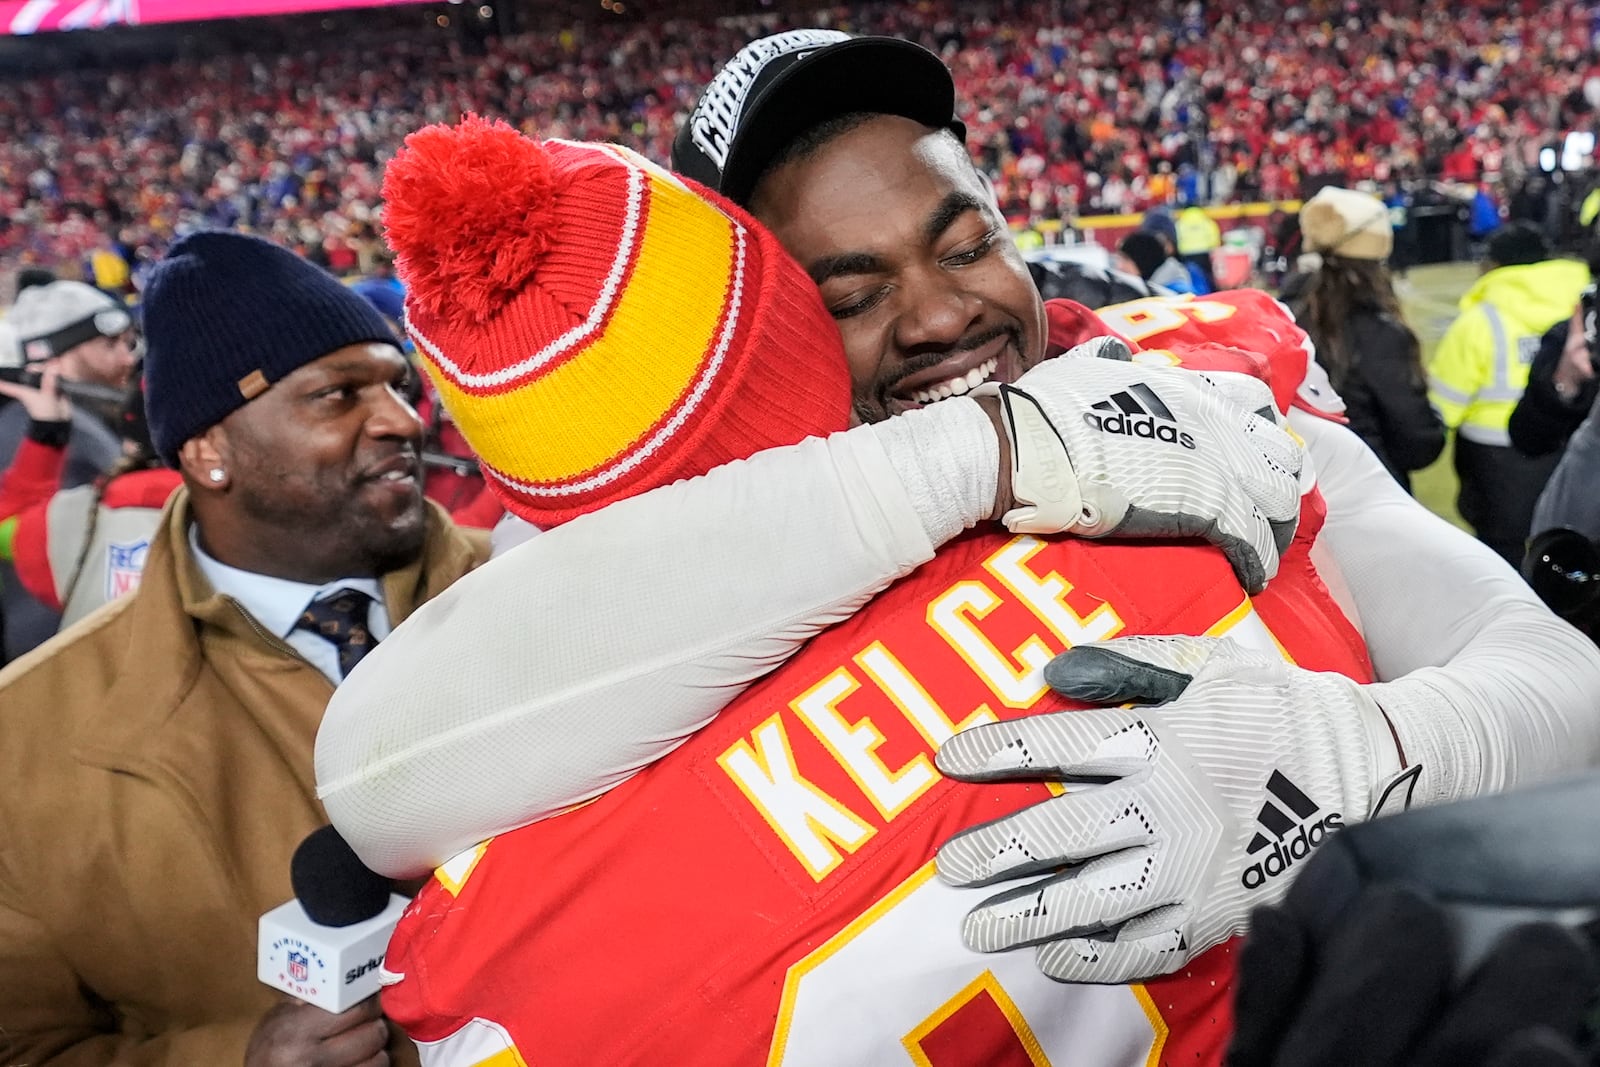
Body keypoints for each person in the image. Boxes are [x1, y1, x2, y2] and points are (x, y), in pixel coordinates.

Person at [320, 28, 1600, 1057]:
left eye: (967, 240)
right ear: (761, 325)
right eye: (851, 292)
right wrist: (987, 450)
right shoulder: (666, 572)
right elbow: (381, 772)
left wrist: (1348, 752)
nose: (942, 313)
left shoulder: (1198, 394)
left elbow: (1568, 687)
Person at [0, 231, 492, 1067]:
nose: (402, 421)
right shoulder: (26, 736)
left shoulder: (538, 593)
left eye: (397, 385)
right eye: (339, 395)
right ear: (209, 452)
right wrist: (235, 1060)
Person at [1428, 221, 1590, 566]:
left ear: (1497, 265)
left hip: (1496, 467)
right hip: (1571, 450)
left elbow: (1445, 406)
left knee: (1506, 566)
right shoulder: (1581, 308)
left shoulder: (1479, 321)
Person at [0, 279, 137, 660]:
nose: (126, 358)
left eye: (127, 344)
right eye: (108, 345)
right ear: (52, 356)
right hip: (59, 651)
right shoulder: (35, 431)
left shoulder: (79, 424)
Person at [1283, 186, 1444, 491]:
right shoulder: (1377, 333)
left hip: (1299, 495)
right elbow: (1419, 442)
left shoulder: (1284, 314)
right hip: (1368, 496)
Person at [1116, 230, 1196, 292]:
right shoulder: (1147, 291)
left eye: (1126, 260)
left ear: (1143, 261)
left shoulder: (1176, 295)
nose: (1120, 267)